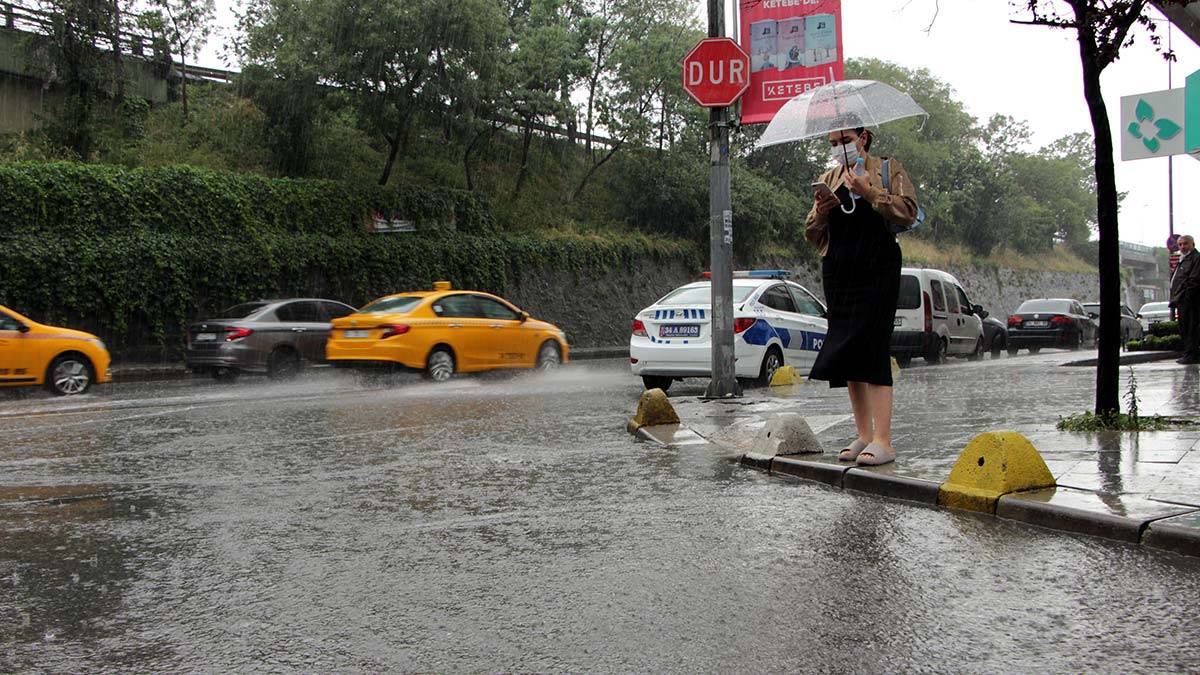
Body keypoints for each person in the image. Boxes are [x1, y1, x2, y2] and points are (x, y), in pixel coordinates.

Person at [804, 126, 918, 466]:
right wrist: (821, 210)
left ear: (862, 138)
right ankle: (864, 434)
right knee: (848, 350)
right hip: (839, 270)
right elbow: (812, 234)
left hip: (877, 267)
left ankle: (884, 440)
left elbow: (908, 212)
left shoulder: (887, 169)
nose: (839, 148)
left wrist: (869, 193)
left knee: (872, 347)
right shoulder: (829, 176)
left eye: (844, 141)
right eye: (834, 144)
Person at [1170, 234, 1200, 364]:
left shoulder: (1196, 258)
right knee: (1184, 326)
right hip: (1181, 299)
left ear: (1192, 244)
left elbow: (1194, 279)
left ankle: (1191, 354)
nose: (1182, 247)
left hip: (1190, 299)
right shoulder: (1183, 259)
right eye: (1180, 244)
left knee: (1191, 327)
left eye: (1185, 243)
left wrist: (1186, 294)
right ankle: (1189, 353)